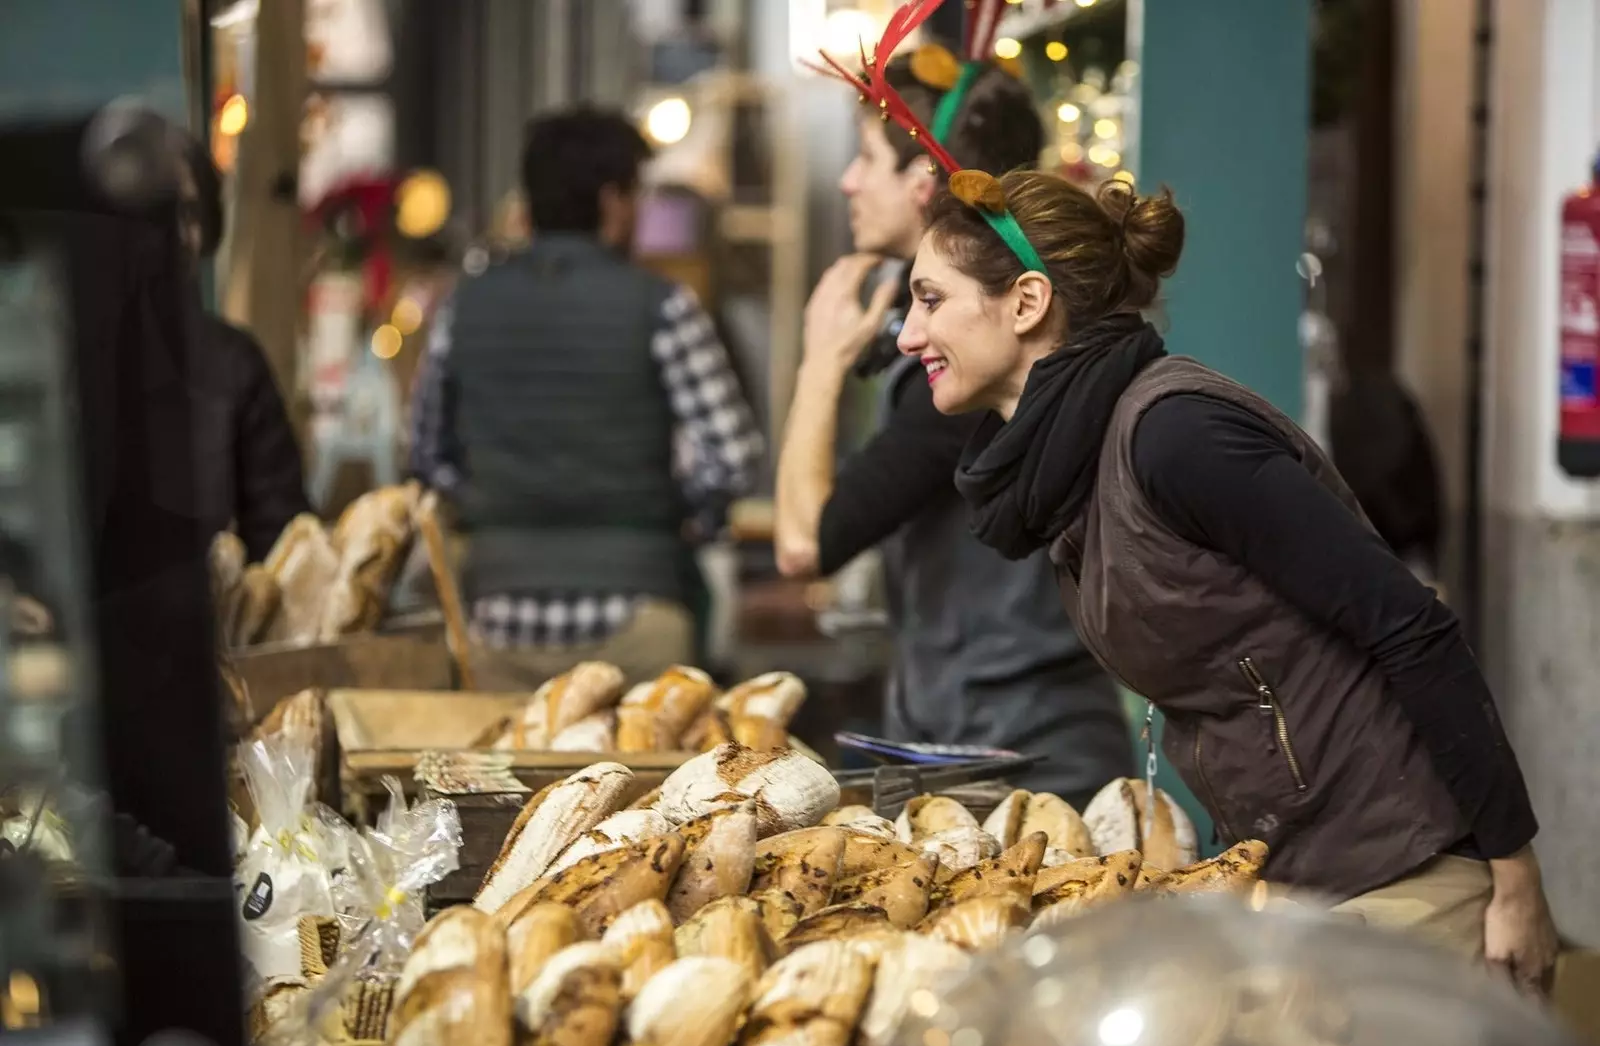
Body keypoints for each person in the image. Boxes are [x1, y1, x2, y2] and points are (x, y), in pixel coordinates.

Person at [896, 166, 1557, 987]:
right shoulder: (1069, 465)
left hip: (1404, 871)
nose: (907, 336)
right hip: (1295, 876)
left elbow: (1408, 623)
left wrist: (1514, 874)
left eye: (929, 300)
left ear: (1027, 303)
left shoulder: (1177, 435)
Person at [774, 52, 1131, 805]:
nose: (847, 181)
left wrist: (820, 360)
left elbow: (803, 542)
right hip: (973, 739)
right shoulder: (963, 344)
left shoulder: (978, 362)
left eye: (865, 158)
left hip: (1015, 757)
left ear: (924, 186)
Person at [408, 106, 763, 687]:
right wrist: (680, 512)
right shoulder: (663, 307)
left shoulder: (463, 306)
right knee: (651, 779)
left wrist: (490, 505)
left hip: (495, 624)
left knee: (494, 778)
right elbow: (733, 455)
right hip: (640, 620)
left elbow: (425, 456)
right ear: (612, 201)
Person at [175, 135, 311, 560]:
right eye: (150, 215)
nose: (173, 235)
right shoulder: (58, 360)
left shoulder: (233, 364)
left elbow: (284, 543)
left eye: (189, 214)